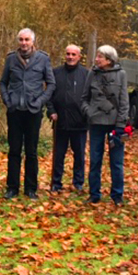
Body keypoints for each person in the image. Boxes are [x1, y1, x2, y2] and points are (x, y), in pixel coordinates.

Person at [0, 28, 55, 199]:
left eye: (27, 40)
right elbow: (3, 83)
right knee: (14, 150)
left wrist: (40, 101)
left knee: (31, 151)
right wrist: (8, 101)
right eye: (21, 40)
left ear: (32, 41)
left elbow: (51, 84)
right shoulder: (11, 59)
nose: (24, 43)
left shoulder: (43, 59)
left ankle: (31, 188)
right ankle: (12, 188)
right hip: (15, 111)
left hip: (33, 112)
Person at [81, 45, 129, 205]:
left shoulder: (121, 74)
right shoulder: (92, 74)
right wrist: (89, 112)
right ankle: (94, 194)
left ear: (109, 59)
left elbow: (124, 101)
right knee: (95, 160)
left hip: (115, 125)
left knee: (116, 162)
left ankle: (117, 195)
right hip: (96, 123)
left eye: (100, 57)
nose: (97, 59)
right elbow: (84, 98)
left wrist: (121, 124)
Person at [47, 44, 90, 192]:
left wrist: (87, 114)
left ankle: (78, 183)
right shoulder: (55, 73)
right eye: (68, 54)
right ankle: (56, 182)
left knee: (79, 155)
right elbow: (49, 95)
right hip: (60, 122)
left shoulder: (86, 74)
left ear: (79, 57)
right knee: (58, 155)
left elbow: (90, 97)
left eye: (73, 54)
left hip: (80, 123)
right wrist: (51, 111)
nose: (70, 57)